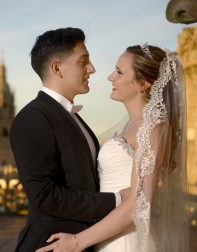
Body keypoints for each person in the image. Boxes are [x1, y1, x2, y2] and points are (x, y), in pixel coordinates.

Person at [36, 44, 189, 252]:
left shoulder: (153, 127)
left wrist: (76, 242)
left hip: (127, 242)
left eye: (119, 72)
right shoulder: (129, 124)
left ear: (143, 83)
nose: (110, 77)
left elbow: (139, 204)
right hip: (106, 238)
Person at [10, 27, 129, 252]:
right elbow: (44, 197)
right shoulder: (33, 118)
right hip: (51, 244)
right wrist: (117, 200)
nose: (92, 69)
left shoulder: (72, 117)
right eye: (83, 61)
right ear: (57, 68)